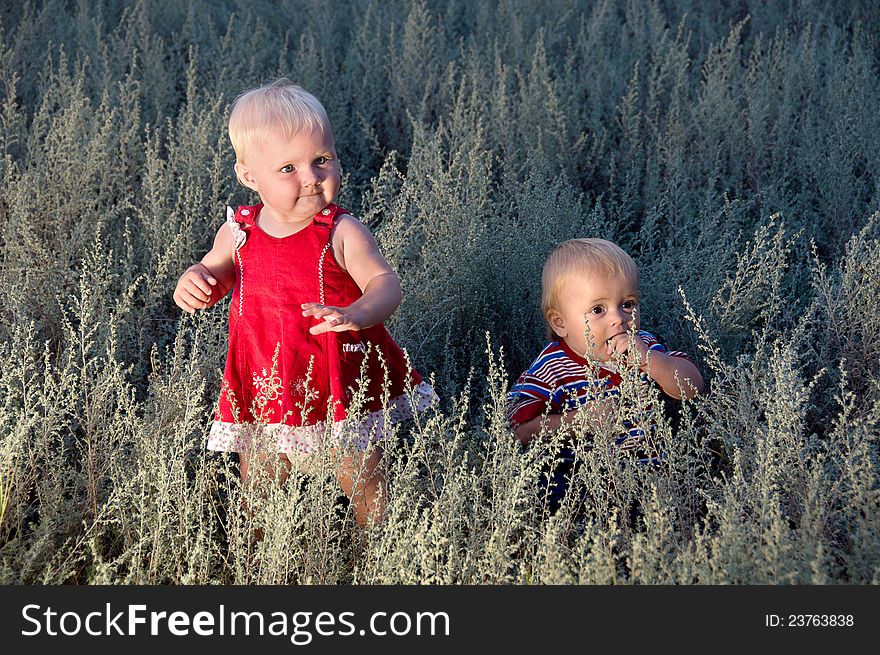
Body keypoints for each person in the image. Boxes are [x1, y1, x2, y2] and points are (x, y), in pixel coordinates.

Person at [173, 79, 436, 528]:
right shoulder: (239, 232)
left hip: (337, 375)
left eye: (322, 160)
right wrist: (197, 280)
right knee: (259, 477)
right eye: (288, 168)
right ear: (249, 176)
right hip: (266, 376)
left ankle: (376, 549)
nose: (311, 178)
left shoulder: (339, 231)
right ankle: (258, 555)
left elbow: (385, 282)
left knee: (360, 474)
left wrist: (357, 313)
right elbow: (216, 270)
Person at [506, 238, 703, 512]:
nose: (619, 319)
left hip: (650, 475)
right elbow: (520, 431)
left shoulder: (643, 346)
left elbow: (692, 387)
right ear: (560, 322)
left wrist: (652, 362)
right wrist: (579, 421)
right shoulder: (552, 367)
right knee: (553, 489)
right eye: (598, 310)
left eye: (628, 304)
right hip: (585, 479)